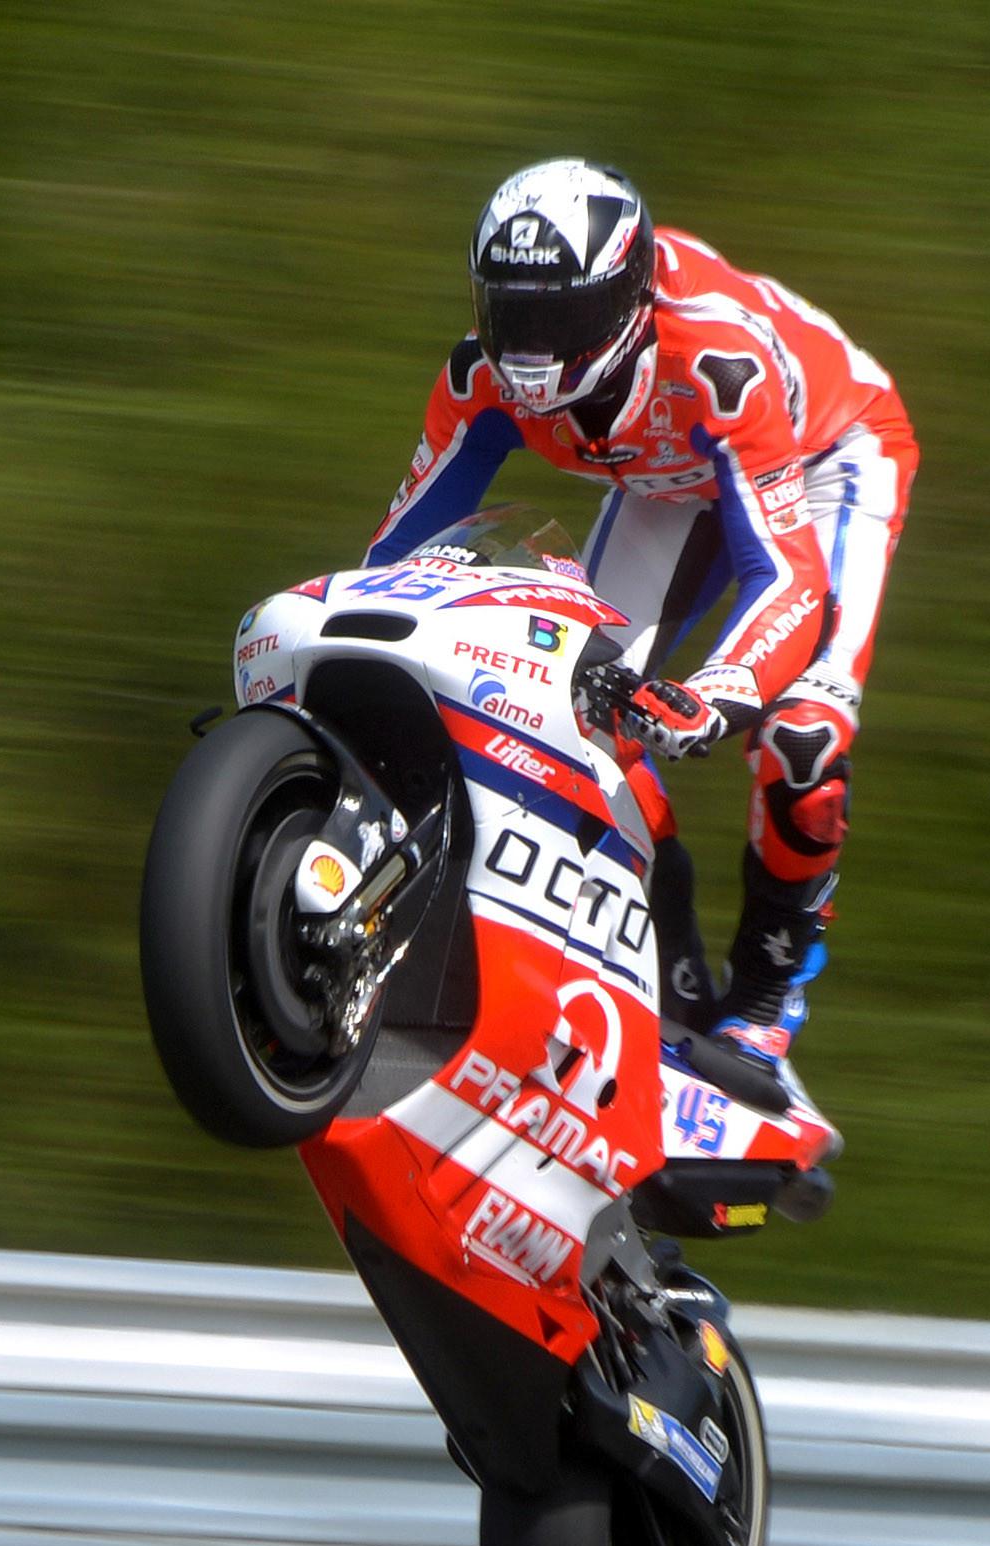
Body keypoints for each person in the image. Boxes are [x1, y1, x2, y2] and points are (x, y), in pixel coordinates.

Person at [368, 158, 915, 1080]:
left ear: (628, 298)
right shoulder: (477, 374)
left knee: (802, 739)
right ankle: (665, 971)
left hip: (825, 458)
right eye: (513, 313)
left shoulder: (715, 360)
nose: (533, 348)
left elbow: (787, 581)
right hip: (671, 478)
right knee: (573, 715)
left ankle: (765, 1008)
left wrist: (714, 694)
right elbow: (389, 564)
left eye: (563, 317)